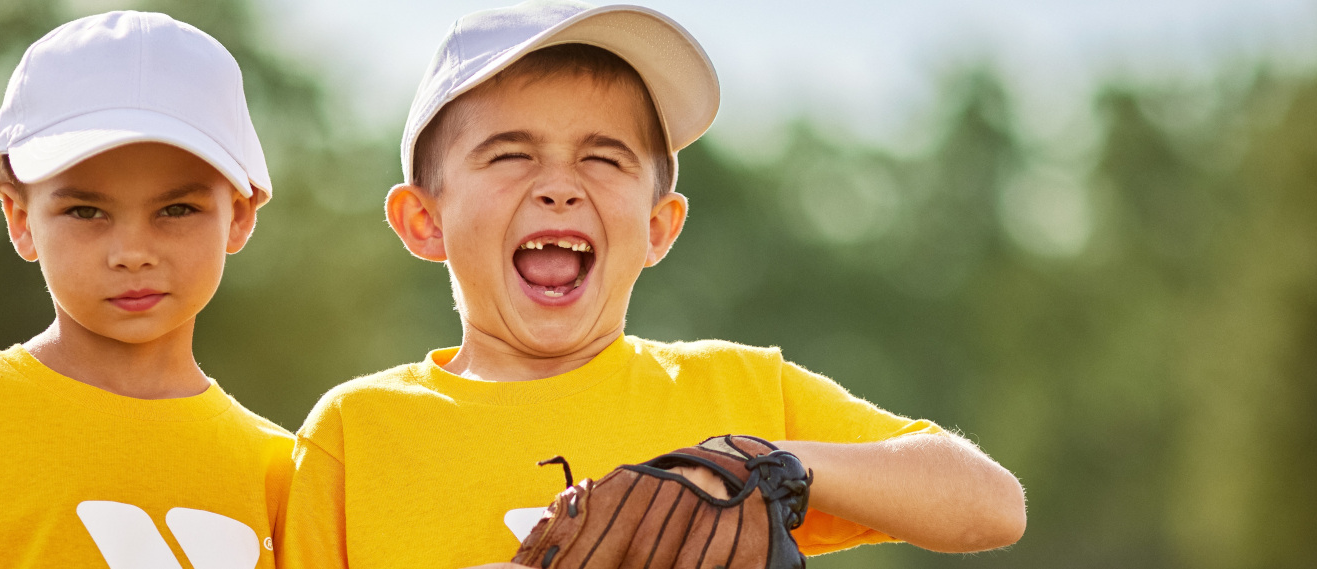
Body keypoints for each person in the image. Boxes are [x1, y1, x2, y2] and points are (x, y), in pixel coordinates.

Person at [279, 2, 1027, 567]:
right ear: (423, 220)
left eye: (604, 159)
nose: (559, 188)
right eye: (510, 154)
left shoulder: (738, 393)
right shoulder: (357, 431)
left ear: (660, 226)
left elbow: (991, 506)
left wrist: (759, 462)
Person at [0, 11, 290, 569]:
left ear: (238, 216)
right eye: (86, 210)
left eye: (176, 209)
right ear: (20, 218)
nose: (132, 252)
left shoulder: (280, 471)